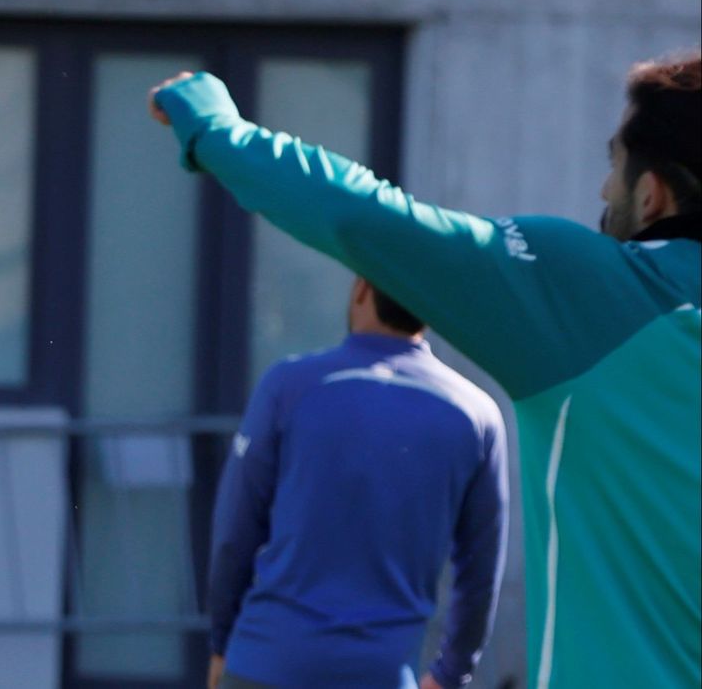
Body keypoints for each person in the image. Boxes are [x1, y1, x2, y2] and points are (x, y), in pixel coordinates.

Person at [149, 53, 701, 688]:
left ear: (653, 190)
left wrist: (213, 129)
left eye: (614, 165)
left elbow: (363, 216)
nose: (605, 190)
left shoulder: (603, 298)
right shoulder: (475, 406)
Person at [206, 277, 507, 689]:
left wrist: (221, 644)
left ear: (361, 288)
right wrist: (451, 673)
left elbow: (233, 534)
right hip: (380, 675)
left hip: (264, 666)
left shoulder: (289, 385)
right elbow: (480, 574)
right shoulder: (477, 414)